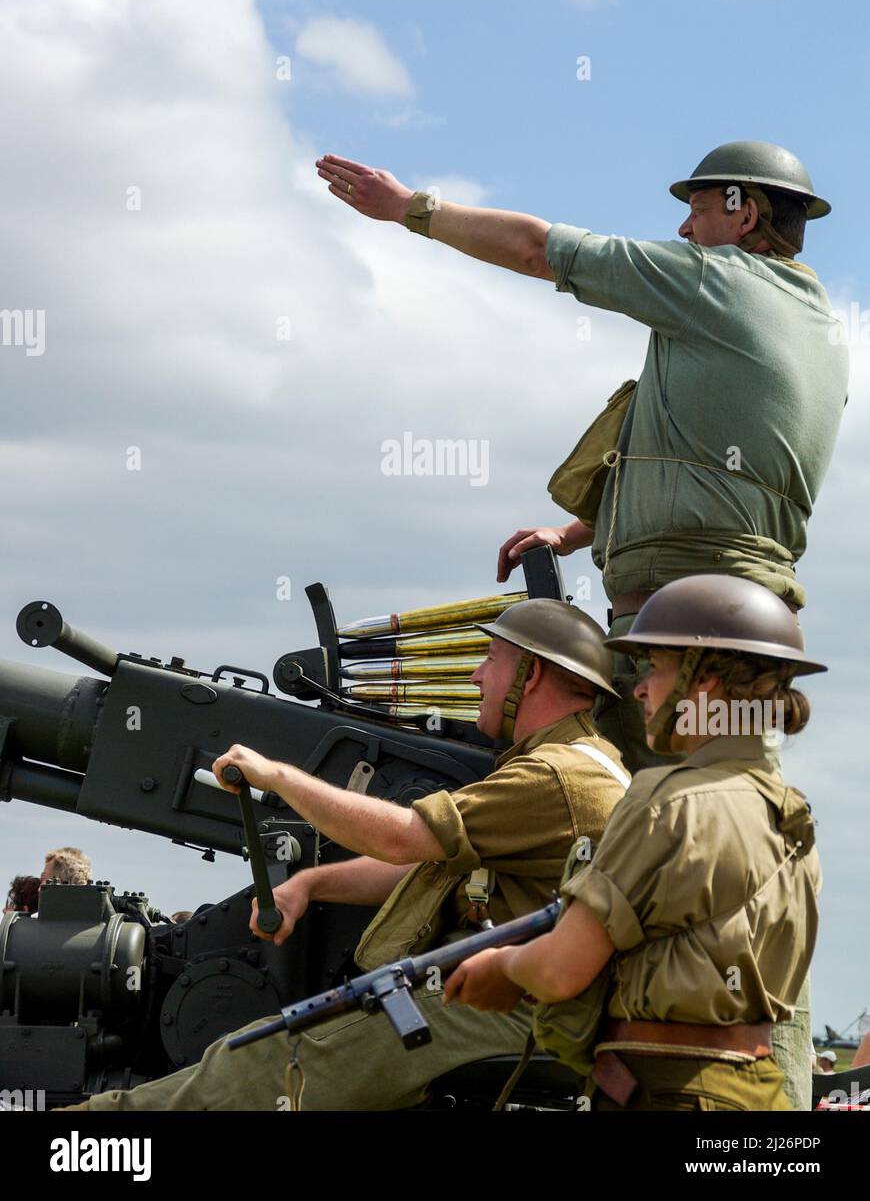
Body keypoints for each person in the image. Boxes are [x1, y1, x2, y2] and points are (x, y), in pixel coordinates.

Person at [314, 140, 847, 776]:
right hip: (753, 624)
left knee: (640, 822)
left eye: (699, 210)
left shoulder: (716, 282)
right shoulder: (822, 327)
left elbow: (539, 249)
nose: (683, 228)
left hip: (676, 623)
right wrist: (576, 532)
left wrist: (411, 208)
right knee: (723, 803)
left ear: (744, 213)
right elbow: (725, 475)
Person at [58, 599, 631, 1112]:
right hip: (524, 1000)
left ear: (530, 675)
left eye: (493, 661)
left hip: (514, 1010)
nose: (478, 675)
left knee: (262, 1064)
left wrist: (280, 777)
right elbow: (424, 863)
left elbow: (406, 836)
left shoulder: (556, 775)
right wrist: (313, 885)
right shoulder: (577, 761)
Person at [444, 575, 824, 1112]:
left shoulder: (665, 800)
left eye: (656, 667)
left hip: (671, 1096)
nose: (640, 688)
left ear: (706, 682)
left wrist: (502, 967)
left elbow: (559, 969)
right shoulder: (792, 817)